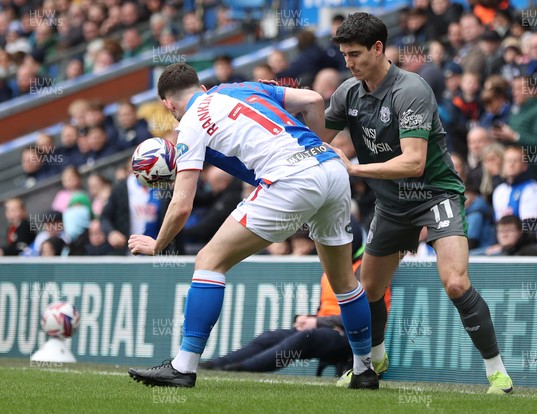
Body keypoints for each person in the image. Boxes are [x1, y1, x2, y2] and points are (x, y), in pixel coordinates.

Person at [127, 63, 377, 389]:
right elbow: (314, 99)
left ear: (168, 104)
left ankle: (183, 368)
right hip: (330, 168)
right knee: (344, 281)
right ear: (201, 87)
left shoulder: (190, 123)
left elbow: (182, 204)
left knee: (208, 262)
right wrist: (315, 144)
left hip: (289, 178)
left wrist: (157, 244)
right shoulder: (241, 87)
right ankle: (363, 370)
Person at [322, 12, 513, 394]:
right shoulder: (347, 92)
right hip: (391, 205)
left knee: (456, 283)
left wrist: (354, 170)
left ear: (378, 49)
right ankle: (374, 360)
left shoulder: (411, 89)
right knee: (367, 290)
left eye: (355, 54)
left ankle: (498, 373)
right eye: (344, 55)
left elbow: (414, 161)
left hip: (435, 195)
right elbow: (316, 137)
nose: (349, 62)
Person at [199, 218, 391, 374]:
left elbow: (366, 316)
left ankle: (242, 369)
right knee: (271, 336)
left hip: (352, 338)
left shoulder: (365, 273)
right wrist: (307, 319)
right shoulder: (332, 271)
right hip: (327, 329)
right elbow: (325, 309)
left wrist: (316, 323)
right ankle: (217, 365)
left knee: (306, 337)